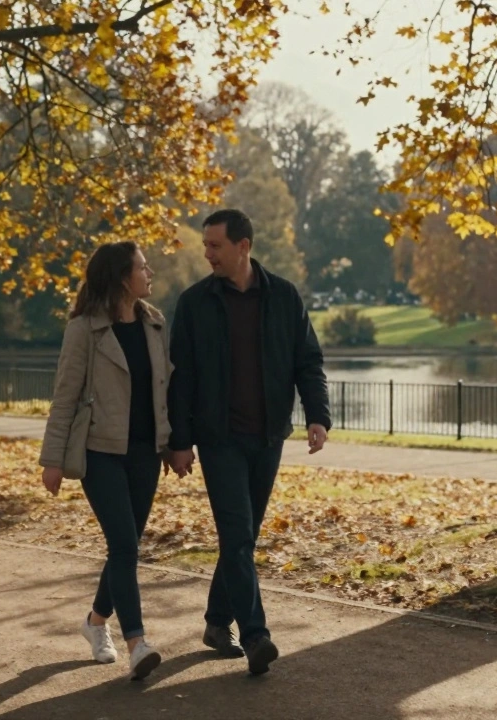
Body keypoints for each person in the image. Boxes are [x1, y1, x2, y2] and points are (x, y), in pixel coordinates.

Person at [167, 209, 331, 676]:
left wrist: (317, 414)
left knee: (243, 538)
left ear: (243, 246)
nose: (207, 253)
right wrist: (179, 441)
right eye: (206, 245)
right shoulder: (196, 302)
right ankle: (256, 635)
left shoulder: (283, 296)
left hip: (267, 437)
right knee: (237, 536)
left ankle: (217, 622)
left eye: (215, 245)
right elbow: (181, 380)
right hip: (218, 440)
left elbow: (308, 361)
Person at [39, 241, 172, 682]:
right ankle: (138, 643)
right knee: (125, 547)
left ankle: (96, 623)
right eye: (141, 267)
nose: (148, 272)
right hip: (99, 453)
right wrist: (52, 459)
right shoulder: (85, 330)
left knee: (124, 550)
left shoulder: (154, 323)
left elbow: (163, 392)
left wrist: (171, 443)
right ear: (121, 277)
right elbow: (65, 397)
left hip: (145, 454)